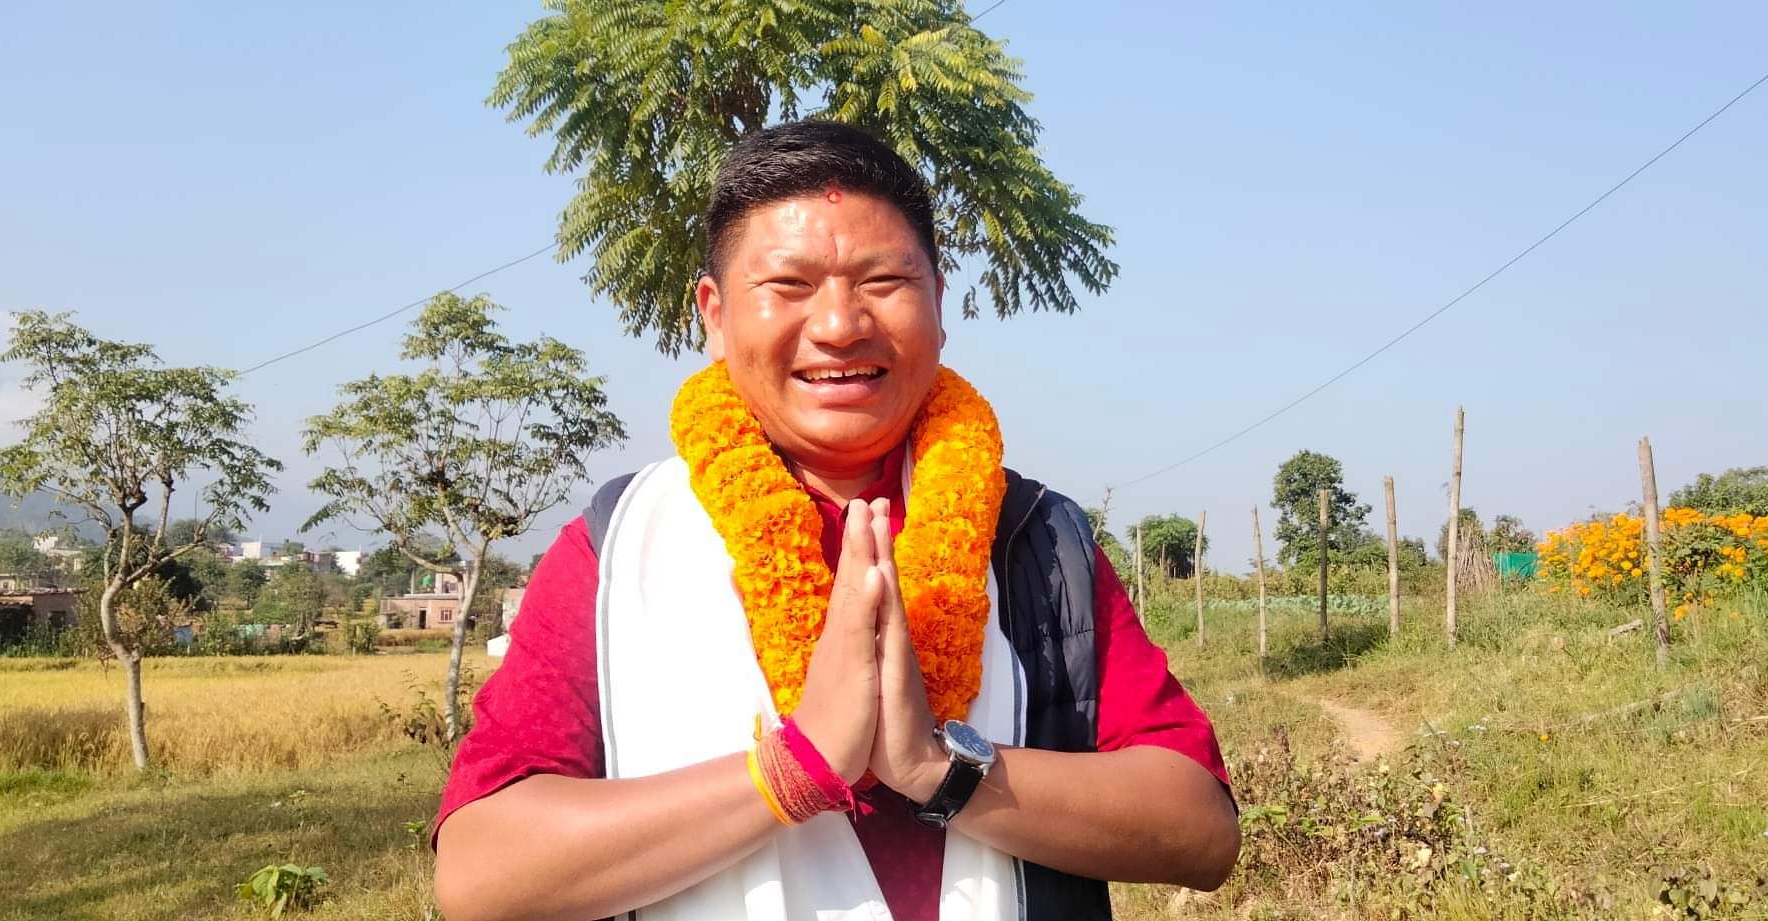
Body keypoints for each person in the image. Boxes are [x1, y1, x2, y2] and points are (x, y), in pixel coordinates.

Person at [432, 120, 1237, 921]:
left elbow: (1202, 830)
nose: (840, 324)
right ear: (715, 315)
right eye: (789, 285)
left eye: (883, 280)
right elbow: (479, 873)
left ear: (939, 302)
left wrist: (939, 768)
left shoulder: (1037, 537)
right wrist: (794, 768)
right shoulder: (620, 547)